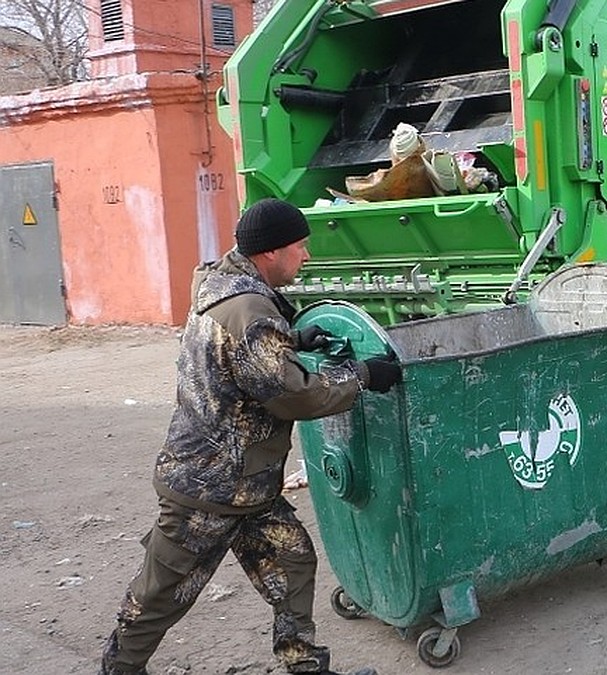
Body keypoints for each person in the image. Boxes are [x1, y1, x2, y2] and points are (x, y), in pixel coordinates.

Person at [99, 198, 400, 675]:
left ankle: (304, 665)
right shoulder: (250, 310)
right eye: (299, 247)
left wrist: (293, 340)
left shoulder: (222, 284)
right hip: (209, 489)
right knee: (162, 593)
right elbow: (293, 395)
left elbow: (237, 353)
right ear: (270, 253)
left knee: (294, 562)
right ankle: (119, 669)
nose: (306, 256)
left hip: (248, 486)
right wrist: (362, 375)